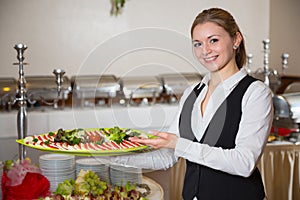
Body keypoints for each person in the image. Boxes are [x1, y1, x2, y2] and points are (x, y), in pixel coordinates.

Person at [113, 7, 273, 200]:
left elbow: (244, 163)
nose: (205, 51)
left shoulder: (256, 93)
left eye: (213, 40)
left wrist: (179, 144)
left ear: (236, 39)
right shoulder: (192, 94)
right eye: (197, 44)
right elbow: (167, 157)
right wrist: (112, 156)